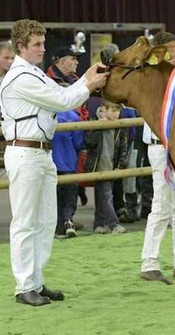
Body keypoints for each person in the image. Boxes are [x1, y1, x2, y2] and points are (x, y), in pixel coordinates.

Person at [0, 19, 108, 307]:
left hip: (42, 154)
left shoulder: (34, 73)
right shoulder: (20, 77)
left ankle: (35, 281)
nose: (42, 49)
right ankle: (24, 287)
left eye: (42, 43)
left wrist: (87, 76)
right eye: (36, 44)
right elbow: (63, 100)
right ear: (20, 46)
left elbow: (64, 92)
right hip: (25, 153)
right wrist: (90, 84)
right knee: (25, 222)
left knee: (46, 220)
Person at [140, 31, 175, 284]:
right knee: (161, 204)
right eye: (171, 51)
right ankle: (149, 262)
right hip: (159, 146)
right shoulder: (150, 78)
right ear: (158, 53)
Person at [84, 100, 129, 234]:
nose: (117, 114)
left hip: (113, 165)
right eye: (113, 111)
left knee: (103, 196)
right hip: (99, 166)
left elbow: (123, 146)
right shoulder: (93, 121)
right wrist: (98, 125)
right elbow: (89, 142)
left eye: (118, 111)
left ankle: (99, 224)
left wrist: (121, 165)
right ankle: (113, 224)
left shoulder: (120, 125)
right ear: (104, 109)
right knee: (106, 195)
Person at [52, 93, 85, 238]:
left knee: (54, 197)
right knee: (69, 197)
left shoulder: (48, 115)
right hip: (69, 162)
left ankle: (57, 225)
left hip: (51, 163)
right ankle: (68, 221)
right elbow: (79, 142)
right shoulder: (73, 116)